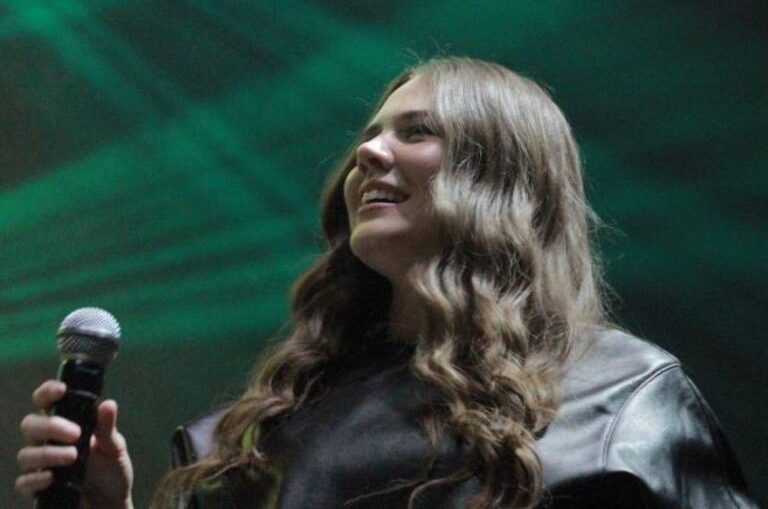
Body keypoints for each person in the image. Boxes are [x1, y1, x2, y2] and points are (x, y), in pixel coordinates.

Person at [16, 57, 758, 509]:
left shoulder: (621, 399)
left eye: (417, 131)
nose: (368, 152)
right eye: (371, 133)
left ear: (500, 177)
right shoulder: (258, 435)